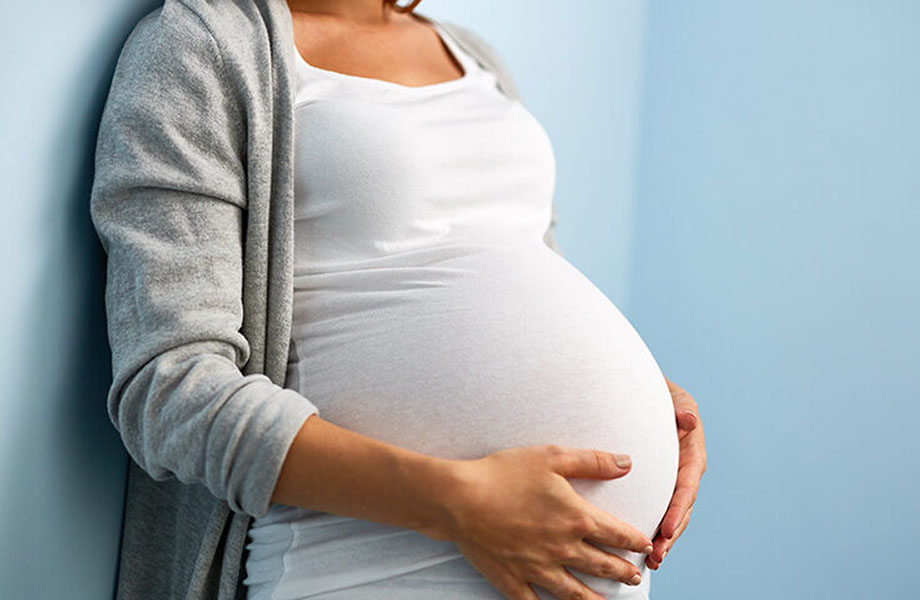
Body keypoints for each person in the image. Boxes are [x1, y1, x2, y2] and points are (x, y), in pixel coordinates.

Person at [90, 0, 707, 598]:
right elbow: (169, 389)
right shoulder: (202, 45)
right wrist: (458, 503)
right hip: (371, 560)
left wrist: (653, 399)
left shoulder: (474, 56)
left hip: (575, 564)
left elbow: (520, 271)